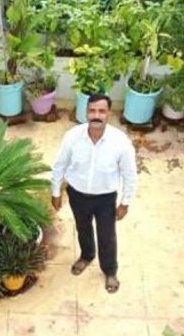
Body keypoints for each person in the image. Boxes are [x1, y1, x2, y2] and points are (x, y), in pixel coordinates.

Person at [51, 94, 137, 294]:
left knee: (107, 235)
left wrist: (125, 202)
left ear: (109, 114)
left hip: (105, 198)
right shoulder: (72, 136)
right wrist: (56, 192)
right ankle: (87, 255)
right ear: (86, 112)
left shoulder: (120, 142)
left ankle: (110, 271)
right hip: (77, 194)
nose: (96, 115)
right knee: (83, 228)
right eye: (92, 110)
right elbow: (60, 165)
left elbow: (130, 174)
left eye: (101, 111)